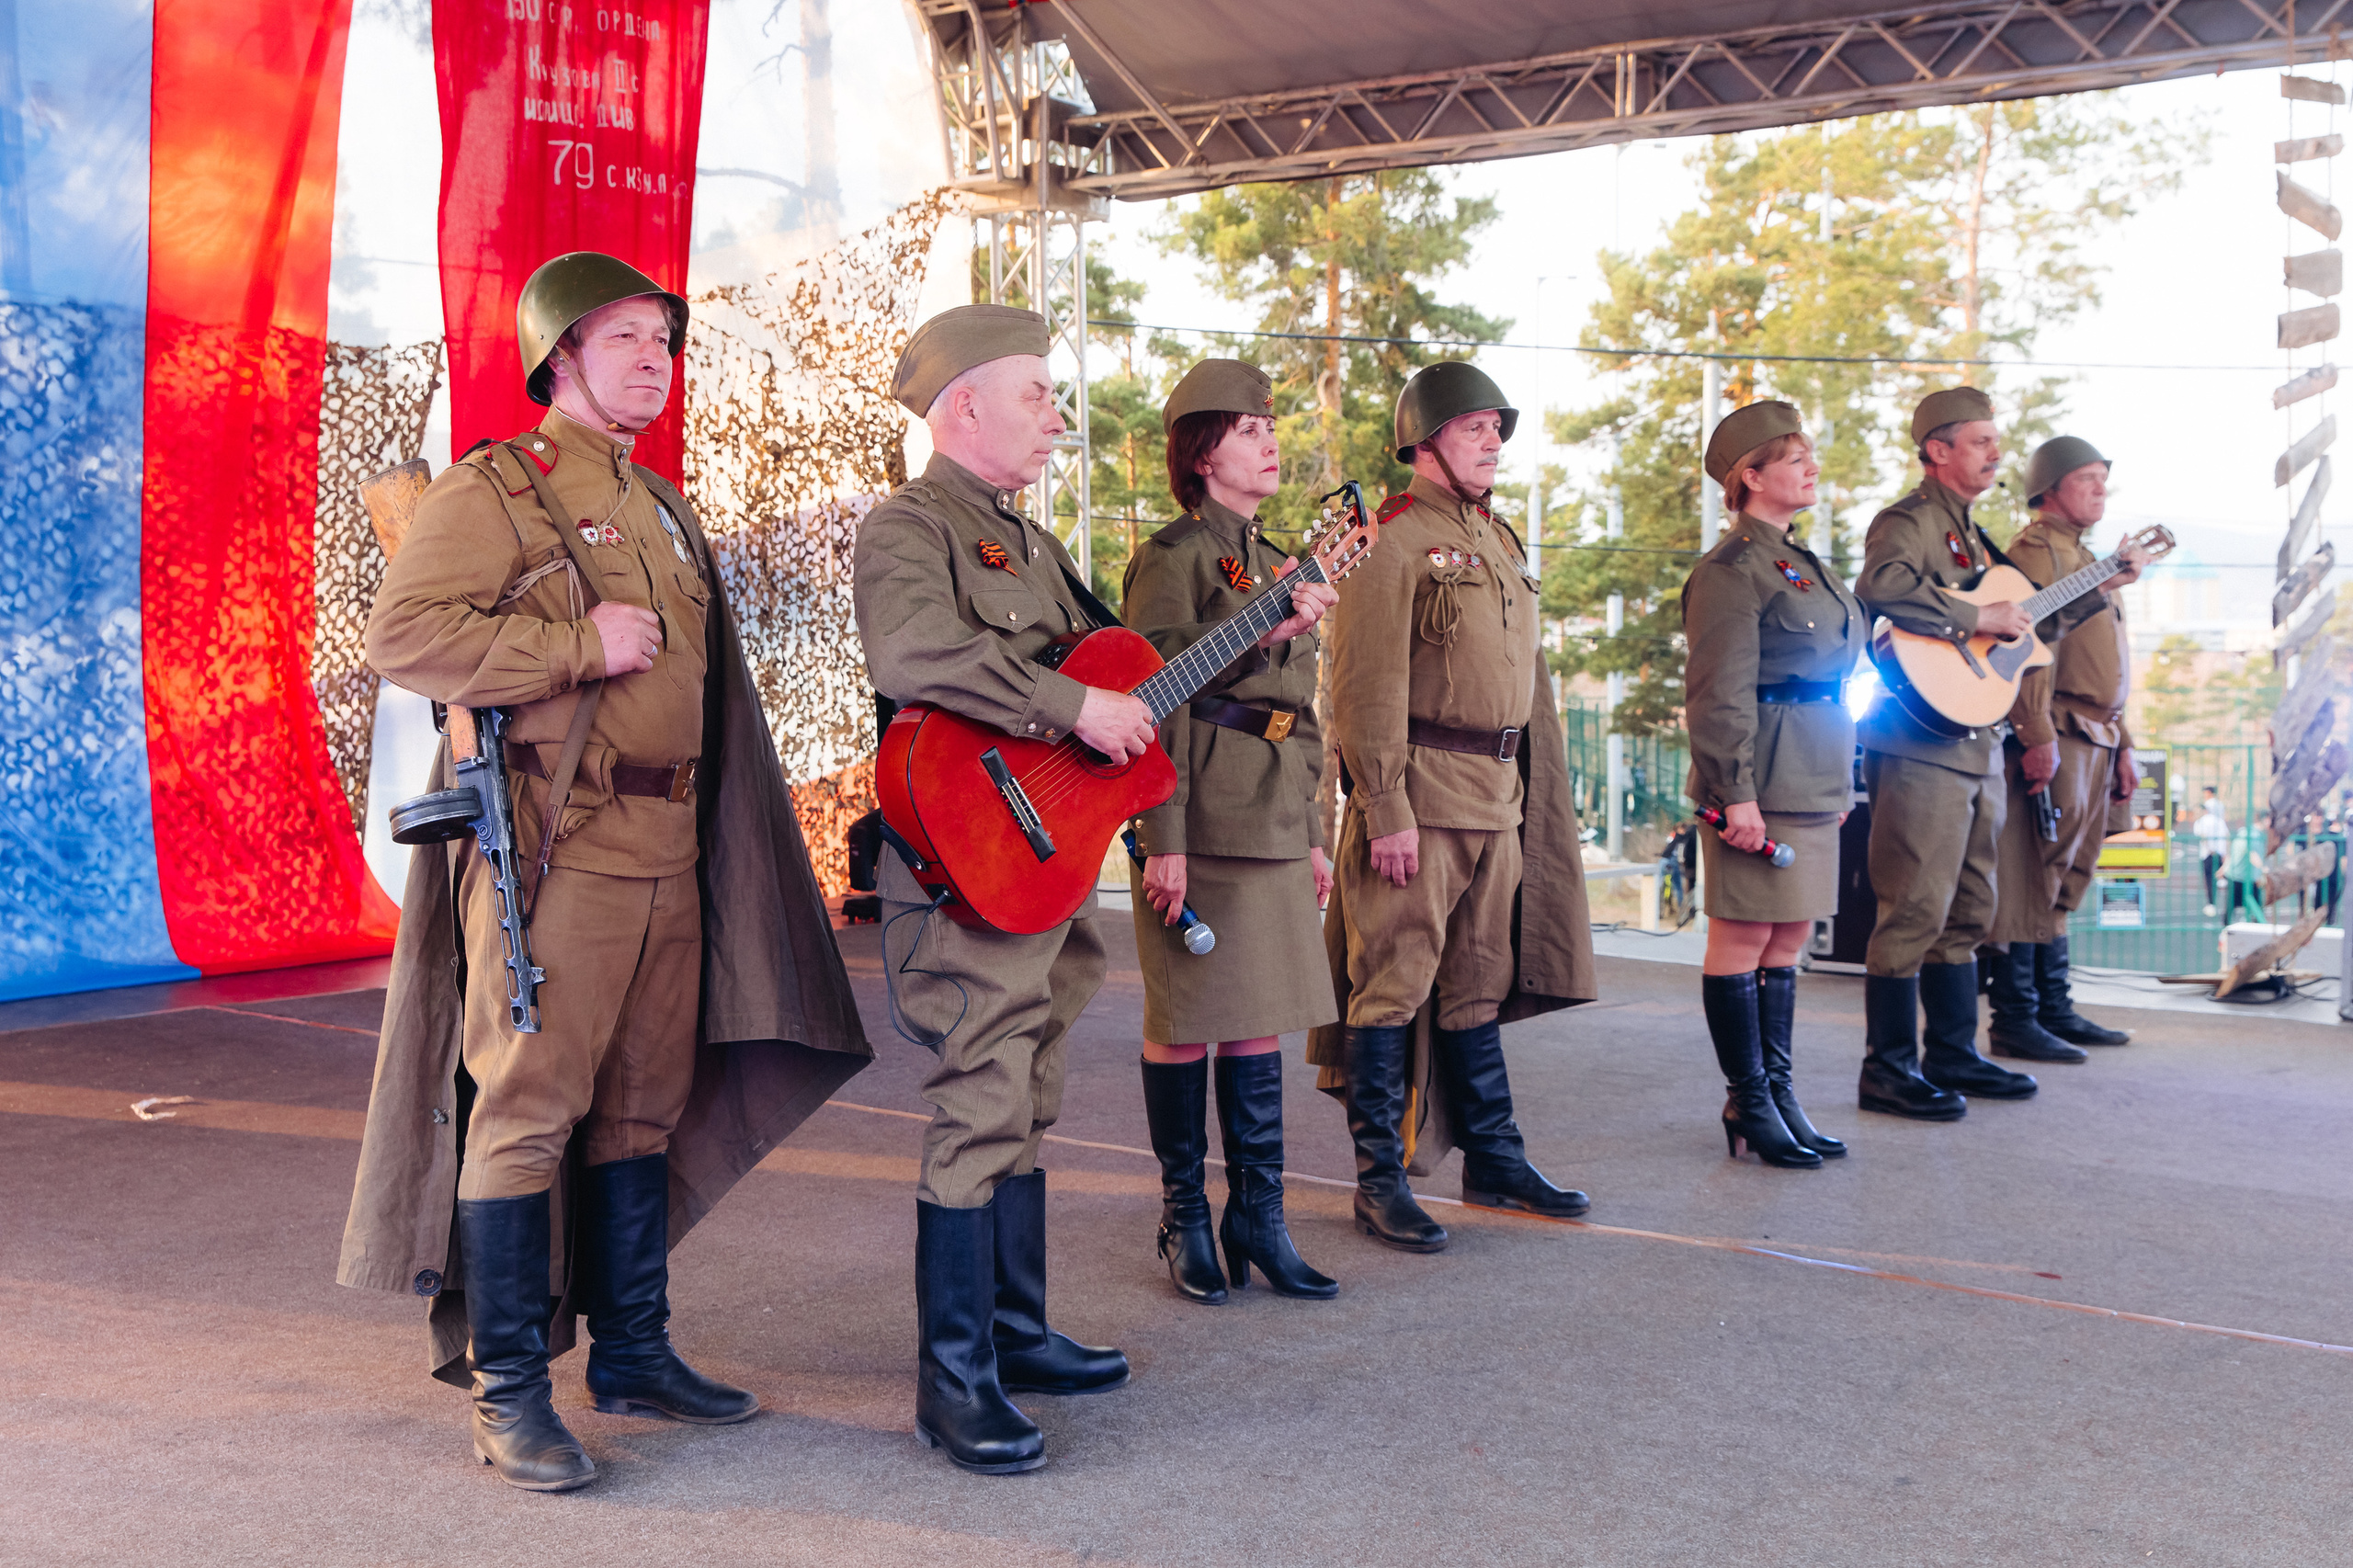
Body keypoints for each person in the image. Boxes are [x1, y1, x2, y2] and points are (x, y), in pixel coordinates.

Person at [345, 252, 869, 1491]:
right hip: (559, 848)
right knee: (529, 1107)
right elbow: (403, 635)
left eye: (661, 340)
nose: (652, 357)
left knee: (641, 1107)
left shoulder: (663, 507)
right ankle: (510, 1389)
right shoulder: (497, 487)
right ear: (558, 357)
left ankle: (632, 1350)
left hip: (670, 852)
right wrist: (576, 644)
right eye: (624, 336)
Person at [853, 305, 1143, 1474]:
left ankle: (1014, 1333)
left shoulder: (1028, 542)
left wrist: (1269, 621)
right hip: (962, 866)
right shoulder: (906, 526)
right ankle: (952, 1381)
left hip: (1042, 861)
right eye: (1037, 393)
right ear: (962, 404)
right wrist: (1074, 709)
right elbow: (911, 653)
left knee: (1028, 1087)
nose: (1057, 417)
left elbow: (1121, 665)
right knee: (981, 1098)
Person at [1307, 361, 1597, 1253]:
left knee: (1477, 980)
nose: (1493, 442)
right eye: (1474, 427)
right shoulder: (1388, 538)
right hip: (1421, 797)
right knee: (1391, 982)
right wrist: (1384, 804)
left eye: (1497, 429)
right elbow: (1360, 685)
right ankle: (1378, 1178)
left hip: (1495, 796)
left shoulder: (1496, 539)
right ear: (1423, 439)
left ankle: (1495, 1156)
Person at [1851, 387, 2145, 1120]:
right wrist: (1976, 613)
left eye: (1995, 441)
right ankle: (1888, 1069)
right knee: (1915, 902)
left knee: (1970, 903)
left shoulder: (1975, 537)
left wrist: (2094, 590)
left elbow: (2029, 626)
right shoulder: (1910, 521)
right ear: (1939, 450)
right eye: (1981, 441)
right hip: (1920, 740)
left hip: (1973, 739)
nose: (1995, 453)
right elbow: (1883, 586)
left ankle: (1951, 1053)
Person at [1124, 358, 1340, 1305]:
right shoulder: (1172, 555)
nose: (1270, 439)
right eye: (1251, 427)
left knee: (1256, 1015)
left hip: (1272, 808)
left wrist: (1315, 828)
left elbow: (1303, 708)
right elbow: (1151, 696)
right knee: (1185, 1018)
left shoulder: (1278, 555)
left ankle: (1258, 1213)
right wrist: (1158, 833)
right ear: (1203, 451)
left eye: (1271, 424)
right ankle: (1183, 1212)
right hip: (1200, 807)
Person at [1680, 402, 1862, 1169]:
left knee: (1789, 937)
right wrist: (1734, 791)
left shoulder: (1800, 559)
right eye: (1794, 459)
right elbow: (1718, 693)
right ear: (1749, 477)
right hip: (1763, 773)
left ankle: (1776, 1093)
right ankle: (1748, 1097)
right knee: (1744, 934)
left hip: (1818, 771)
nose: (1811, 469)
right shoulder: (1731, 570)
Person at [1984, 437, 2140, 1059]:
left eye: (2105, 478)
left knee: (2068, 872)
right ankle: (2016, 1017)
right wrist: (2036, 732)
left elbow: (2113, 667)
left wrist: (2126, 741)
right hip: (2062, 728)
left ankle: (2054, 1006)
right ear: (2048, 489)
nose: (2100, 488)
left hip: (2098, 732)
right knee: (2034, 870)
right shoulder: (2039, 551)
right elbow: (2029, 648)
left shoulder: (2088, 557)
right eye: (2086, 479)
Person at [2224, 813, 2268, 924]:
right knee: (2256, 908)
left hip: (2238, 875)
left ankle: (2227, 929)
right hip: (2243, 877)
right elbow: (2251, 854)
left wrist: (2224, 867)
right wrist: (2263, 869)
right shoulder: (2253, 835)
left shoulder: (2246, 832)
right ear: (2265, 819)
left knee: (2232, 907)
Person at [2195, 790, 2230, 915]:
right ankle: (2229, 904)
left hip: (2207, 854)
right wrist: (2226, 854)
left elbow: (2203, 837)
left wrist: (2210, 849)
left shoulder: (2200, 822)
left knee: (2209, 880)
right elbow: (2227, 836)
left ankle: (2211, 904)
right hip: (2221, 853)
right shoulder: (2219, 821)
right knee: (2225, 877)